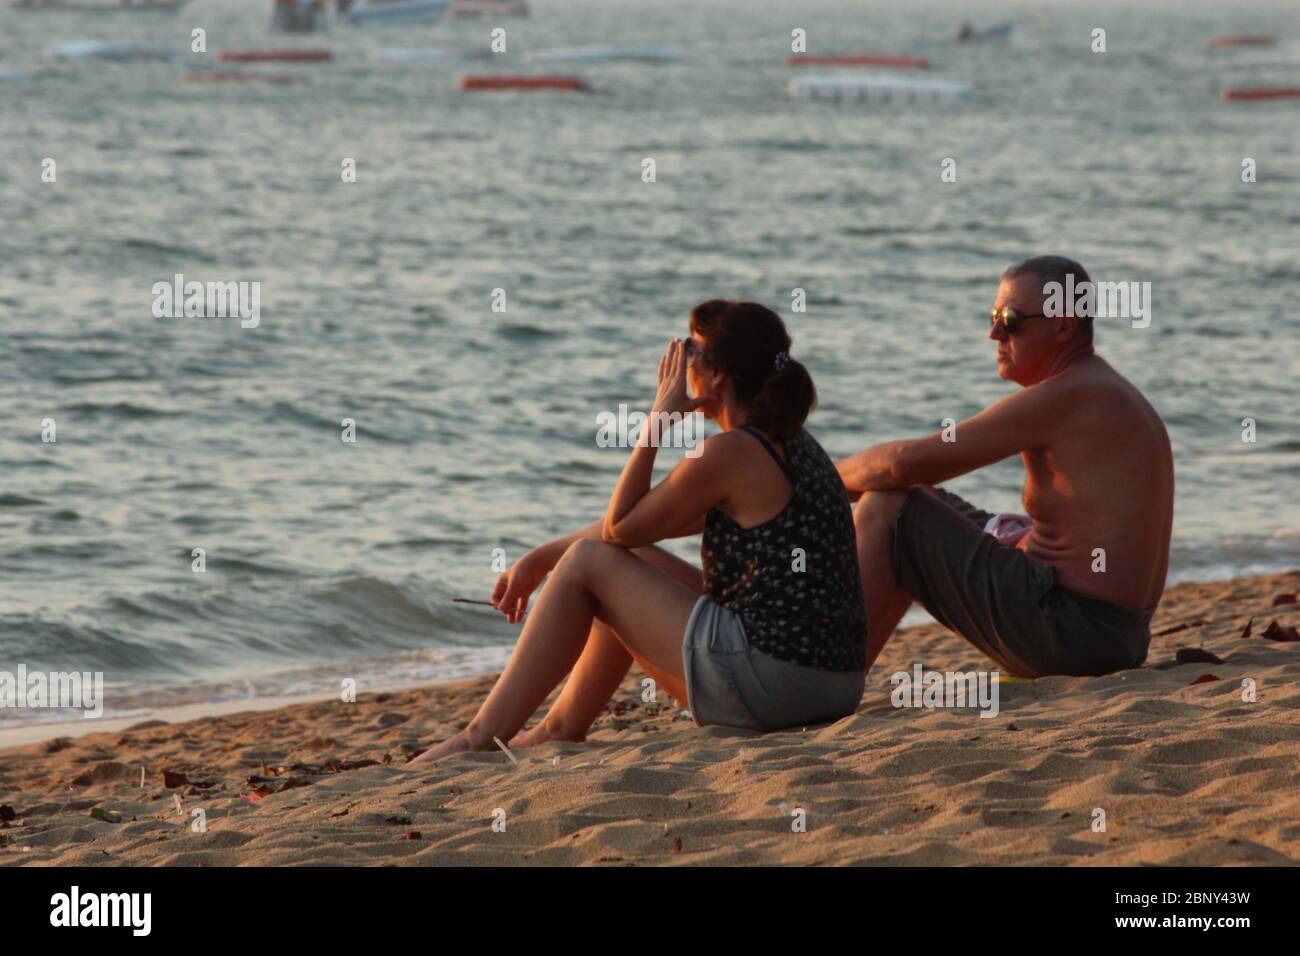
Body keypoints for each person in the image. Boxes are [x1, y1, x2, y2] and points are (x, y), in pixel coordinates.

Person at [411, 300, 866, 762]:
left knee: (592, 564)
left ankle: (479, 736)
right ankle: (560, 727)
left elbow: (618, 526)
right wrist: (540, 558)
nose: (681, 362)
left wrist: (658, 420)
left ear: (718, 376)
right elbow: (633, 530)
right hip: (833, 685)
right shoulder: (790, 442)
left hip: (780, 687)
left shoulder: (729, 453)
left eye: (692, 350)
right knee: (627, 565)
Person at [837, 255, 1173, 679]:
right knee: (912, 500)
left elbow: (902, 463)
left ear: (1064, 326)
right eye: (994, 315)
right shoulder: (1102, 389)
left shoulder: (1071, 396)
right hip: (1114, 636)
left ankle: (827, 682)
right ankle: (841, 671)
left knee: (889, 508)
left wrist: (809, 478)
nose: (993, 332)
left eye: (1011, 319)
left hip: (1076, 636)